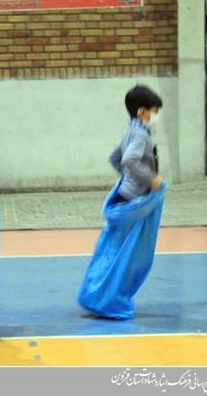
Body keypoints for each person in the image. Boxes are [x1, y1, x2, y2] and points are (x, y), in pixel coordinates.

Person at [77, 85, 166, 320]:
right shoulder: (141, 135)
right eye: (154, 111)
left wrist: (128, 179)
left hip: (123, 197)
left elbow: (114, 157)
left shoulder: (130, 132)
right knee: (124, 256)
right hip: (133, 200)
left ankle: (97, 295)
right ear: (142, 112)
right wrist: (149, 179)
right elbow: (128, 160)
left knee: (113, 252)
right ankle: (108, 300)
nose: (156, 116)